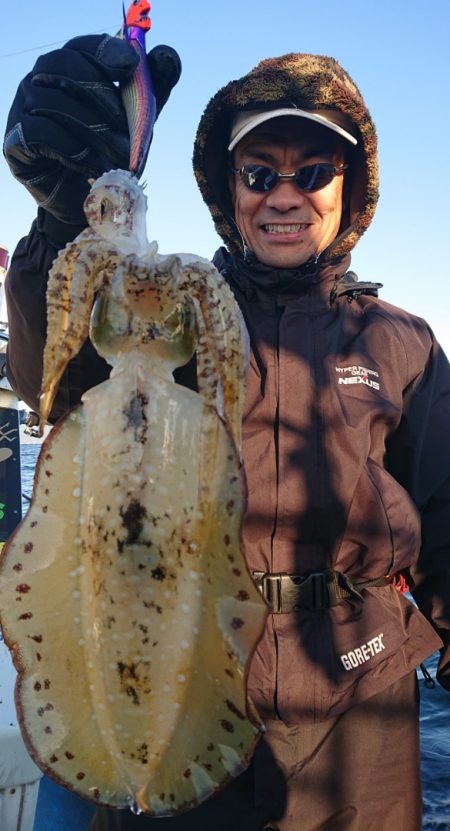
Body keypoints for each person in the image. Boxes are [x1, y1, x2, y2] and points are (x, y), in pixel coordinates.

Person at [3, 36, 450, 831]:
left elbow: (447, 512)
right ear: (227, 186)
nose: (285, 195)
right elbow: (56, 368)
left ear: (353, 189)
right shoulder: (170, 313)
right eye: (259, 174)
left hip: (359, 694)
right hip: (188, 663)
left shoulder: (401, 340)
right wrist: (56, 215)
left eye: (313, 173)